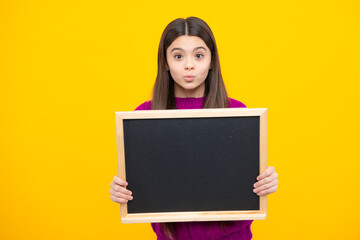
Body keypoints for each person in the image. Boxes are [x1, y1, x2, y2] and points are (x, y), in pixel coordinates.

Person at [110, 16, 279, 240]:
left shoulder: (237, 112)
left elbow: (247, 179)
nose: (189, 65)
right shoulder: (143, 117)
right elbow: (142, 184)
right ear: (166, 63)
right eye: (178, 56)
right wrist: (121, 191)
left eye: (199, 55)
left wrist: (267, 182)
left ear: (211, 61)